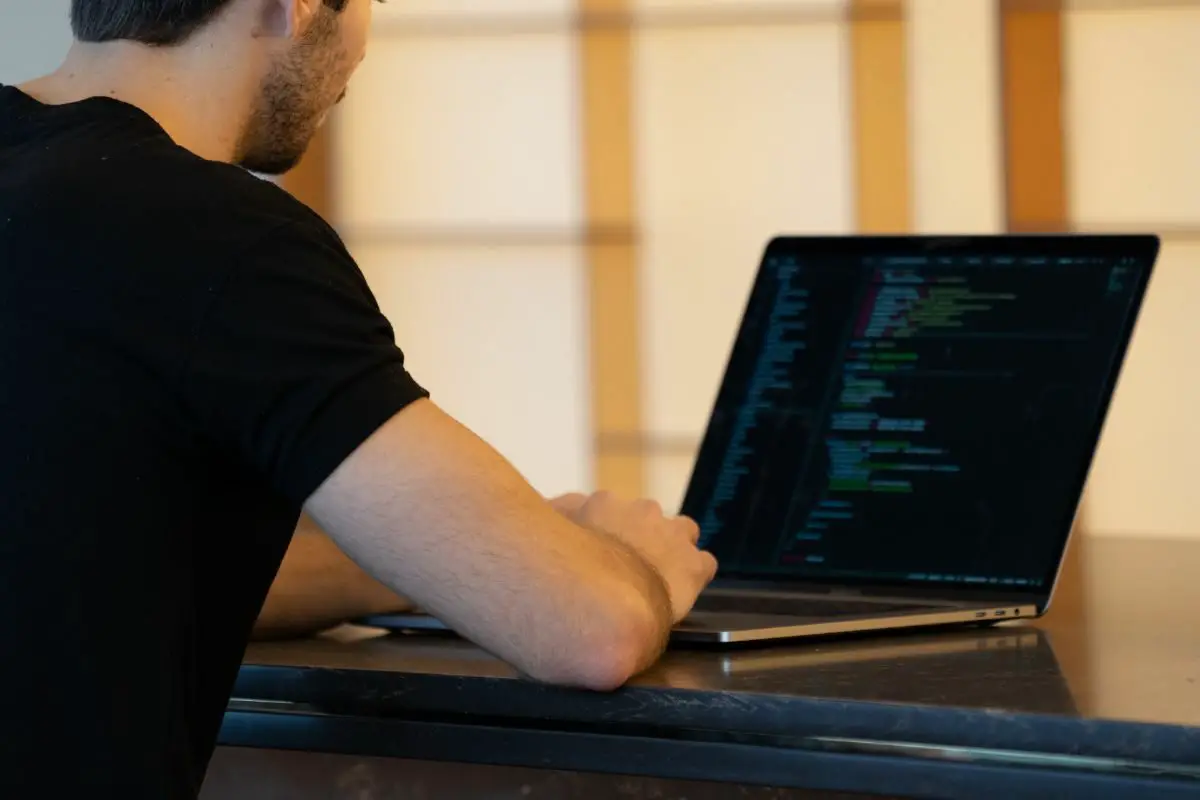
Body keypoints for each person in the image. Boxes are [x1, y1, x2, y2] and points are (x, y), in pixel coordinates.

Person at [0, 0, 718, 795]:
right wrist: (638, 566)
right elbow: (589, 632)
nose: (365, 44)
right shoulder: (212, 234)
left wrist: (422, 563)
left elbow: (82, 553)